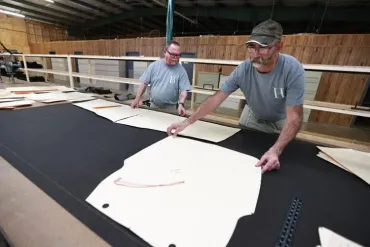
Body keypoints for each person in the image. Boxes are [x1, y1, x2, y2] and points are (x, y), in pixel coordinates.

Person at [166, 19, 305, 173]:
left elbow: (294, 117)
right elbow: (216, 99)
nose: (256, 54)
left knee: (275, 162)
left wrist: (276, 150)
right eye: (252, 47)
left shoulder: (292, 69)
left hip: (281, 121)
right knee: (243, 160)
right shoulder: (244, 69)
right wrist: (187, 122)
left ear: (279, 46)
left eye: (263, 48)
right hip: (253, 116)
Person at [131, 40, 191, 116]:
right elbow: (144, 83)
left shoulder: (181, 71)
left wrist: (181, 104)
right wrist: (137, 99)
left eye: (178, 55)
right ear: (165, 52)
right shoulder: (154, 66)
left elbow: (184, 90)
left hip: (171, 109)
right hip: (153, 107)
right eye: (173, 55)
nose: (175, 58)